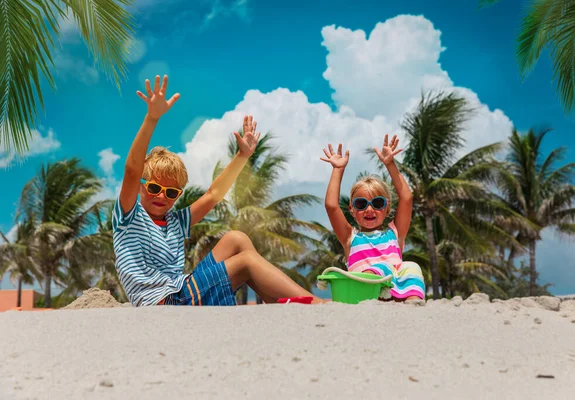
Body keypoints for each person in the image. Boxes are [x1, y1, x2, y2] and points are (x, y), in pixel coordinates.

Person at [113, 75, 322, 306]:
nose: (162, 195)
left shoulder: (175, 221)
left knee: (236, 238)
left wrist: (243, 156)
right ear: (142, 187)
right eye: (154, 188)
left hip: (182, 289)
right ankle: (317, 306)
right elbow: (132, 170)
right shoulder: (129, 216)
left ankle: (276, 303)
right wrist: (152, 118)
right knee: (246, 262)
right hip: (164, 303)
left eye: (171, 192)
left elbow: (213, 195)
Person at [320, 135, 426, 300]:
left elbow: (407, 198)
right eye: (361, 204)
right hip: (364, 295)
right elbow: (331, 206)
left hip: (393, 295)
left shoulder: (395, 233)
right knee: (382, 267)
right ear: (352, 210)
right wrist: (338, 170)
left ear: (387, 207)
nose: (369, 209)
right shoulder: (350, 238)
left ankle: (413, 305)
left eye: (377, 203)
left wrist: (390, 164)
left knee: (411, 266)